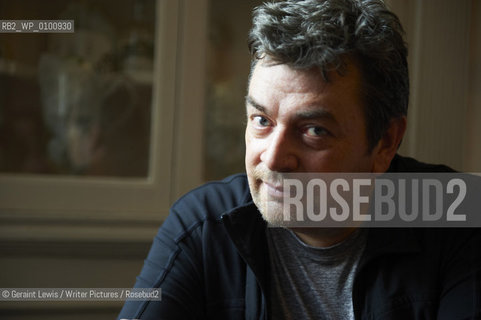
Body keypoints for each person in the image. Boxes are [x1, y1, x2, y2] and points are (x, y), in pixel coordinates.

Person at [118, 0, 481, 319]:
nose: (273, 158)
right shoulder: (203, 226)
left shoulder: (457, 214)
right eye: (262, 121)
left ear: (385, 143)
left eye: (314, 131)